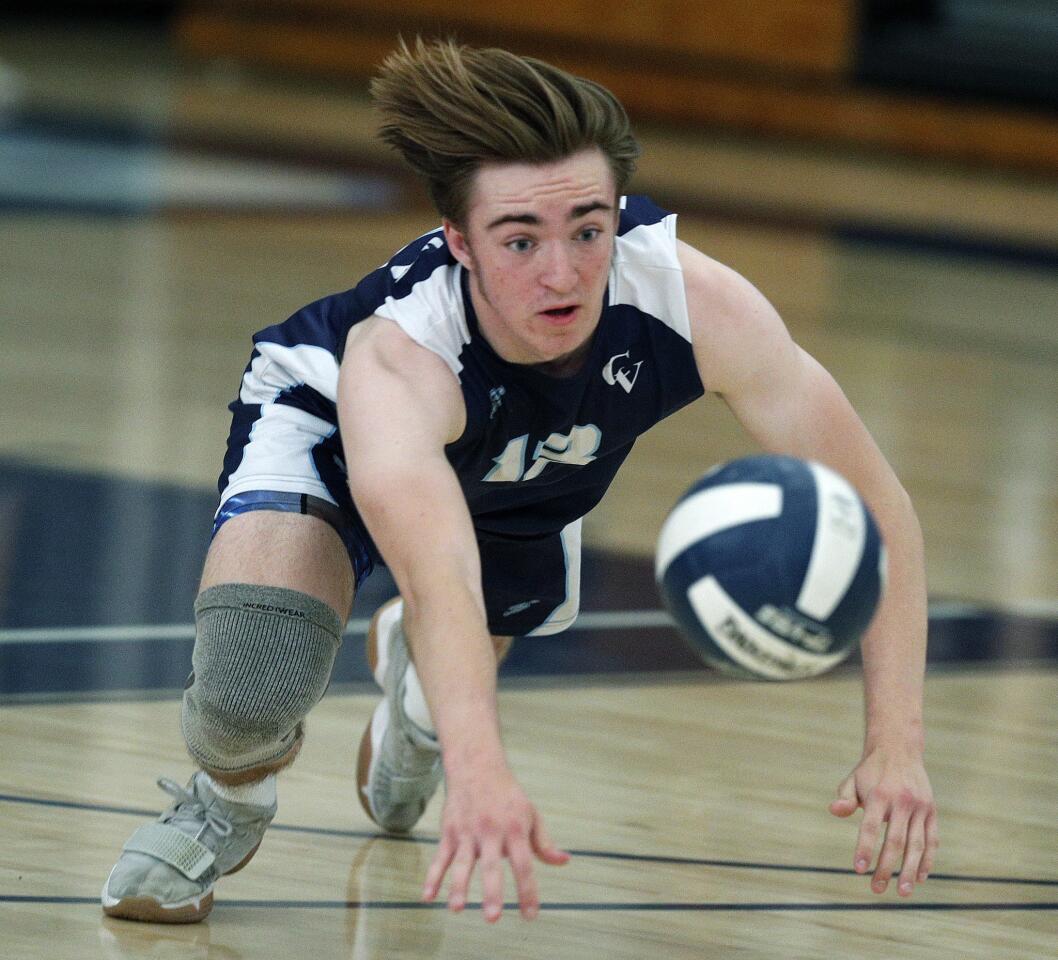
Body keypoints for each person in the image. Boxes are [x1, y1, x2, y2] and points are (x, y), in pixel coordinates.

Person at [101, 38, 938, 925]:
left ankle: (420, 703)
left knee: (463, 635)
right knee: (249, 691)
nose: (563, 272)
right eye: (519, 240)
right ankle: (225, 802)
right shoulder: (401, 356)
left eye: (587, 228)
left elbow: (877, 508)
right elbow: (439, 578)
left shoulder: (697, 303)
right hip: (328, 423)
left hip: (529, 464)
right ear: (460, 241)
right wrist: (483, 773)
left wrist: (897, 745)